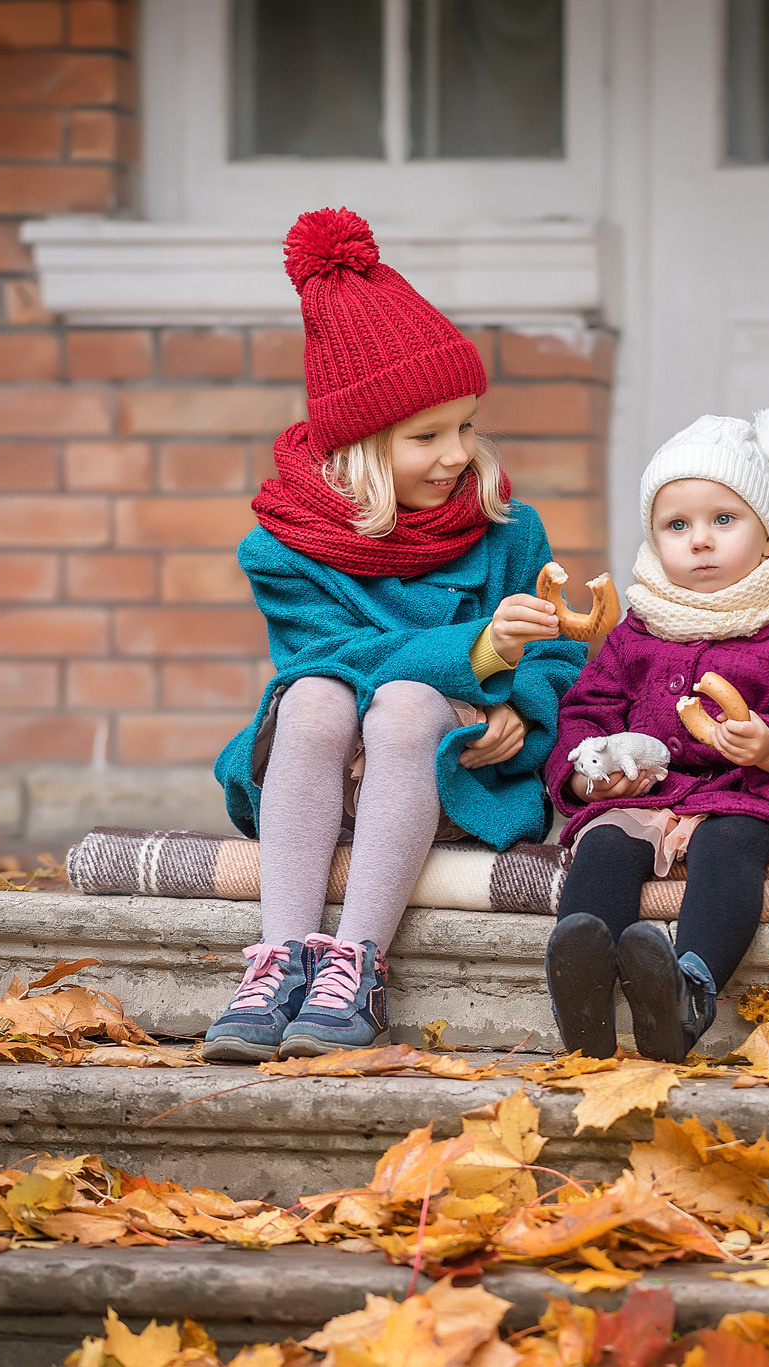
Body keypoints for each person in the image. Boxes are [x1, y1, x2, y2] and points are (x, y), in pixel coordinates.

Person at [204, 208, 583, 1063]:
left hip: (454, 776)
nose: (457, 453)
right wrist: (480, 654)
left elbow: (564, 655)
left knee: (410, 705)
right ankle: (279, 960)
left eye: (467, 425)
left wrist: (515, 704)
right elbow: (332, 658)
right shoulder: (284, 548)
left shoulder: (508, 532)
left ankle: (358, 964)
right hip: (330, 781)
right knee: (313, 694)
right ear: (361, 446)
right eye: (426, 436)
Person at [542, 408, 769, 1062]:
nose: (700, 541)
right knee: (606, 843)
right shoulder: (638, 631)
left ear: (767, 534)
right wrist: (590, 773)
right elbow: (587, 711)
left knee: (729, 846)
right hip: (649, 798)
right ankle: (581, 987)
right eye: (678, 525)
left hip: (750, 801)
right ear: (655, 539)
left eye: (723, 520)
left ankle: (686, 991)